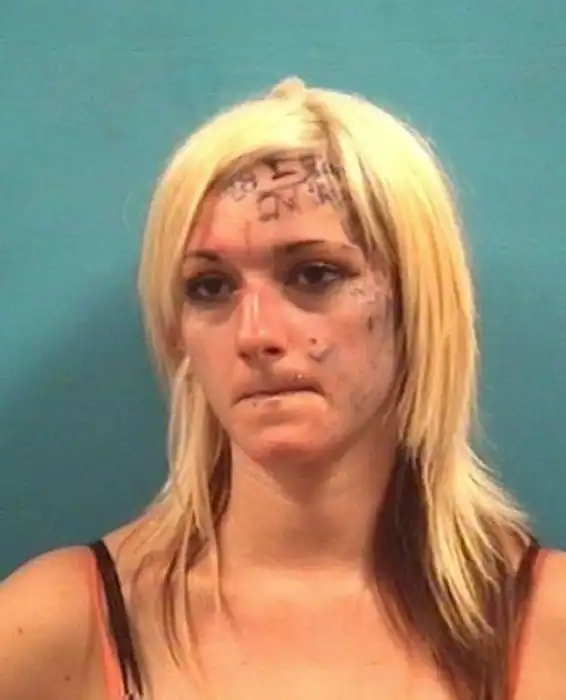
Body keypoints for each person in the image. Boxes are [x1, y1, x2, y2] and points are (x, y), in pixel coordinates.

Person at [1, 77, 565, 700]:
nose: (256, 334)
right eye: (210, 287)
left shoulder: (548, 629)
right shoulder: (61, 628)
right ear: (175, 331)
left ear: (417, 302)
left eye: (314, 274)